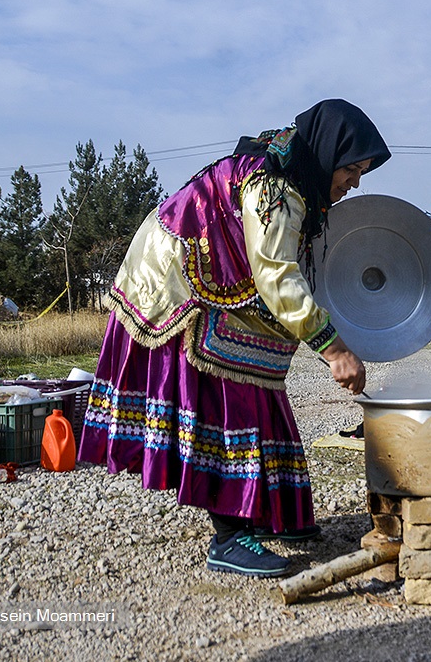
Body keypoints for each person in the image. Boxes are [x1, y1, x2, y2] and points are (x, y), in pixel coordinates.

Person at [79, 99, 391, 577]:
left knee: (261, 371)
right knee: (229, 395)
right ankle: (229, 537)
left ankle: (269, 511)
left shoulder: (294, 171)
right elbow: (277, 275)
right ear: (327, 155)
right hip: (180, 284)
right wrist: (334, 348)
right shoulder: (276, 187)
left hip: (213, 276)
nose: (354, 183)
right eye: (351, 169)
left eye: (361, 172)